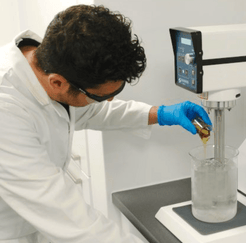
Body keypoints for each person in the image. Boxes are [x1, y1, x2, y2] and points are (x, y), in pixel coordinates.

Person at [0, 4, 211, 243]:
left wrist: (160, 114)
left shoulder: (52, 65)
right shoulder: (6, 109)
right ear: (57, 83)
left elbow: (88, 112)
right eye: (100, 96)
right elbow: (67, 216)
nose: (110, 99)